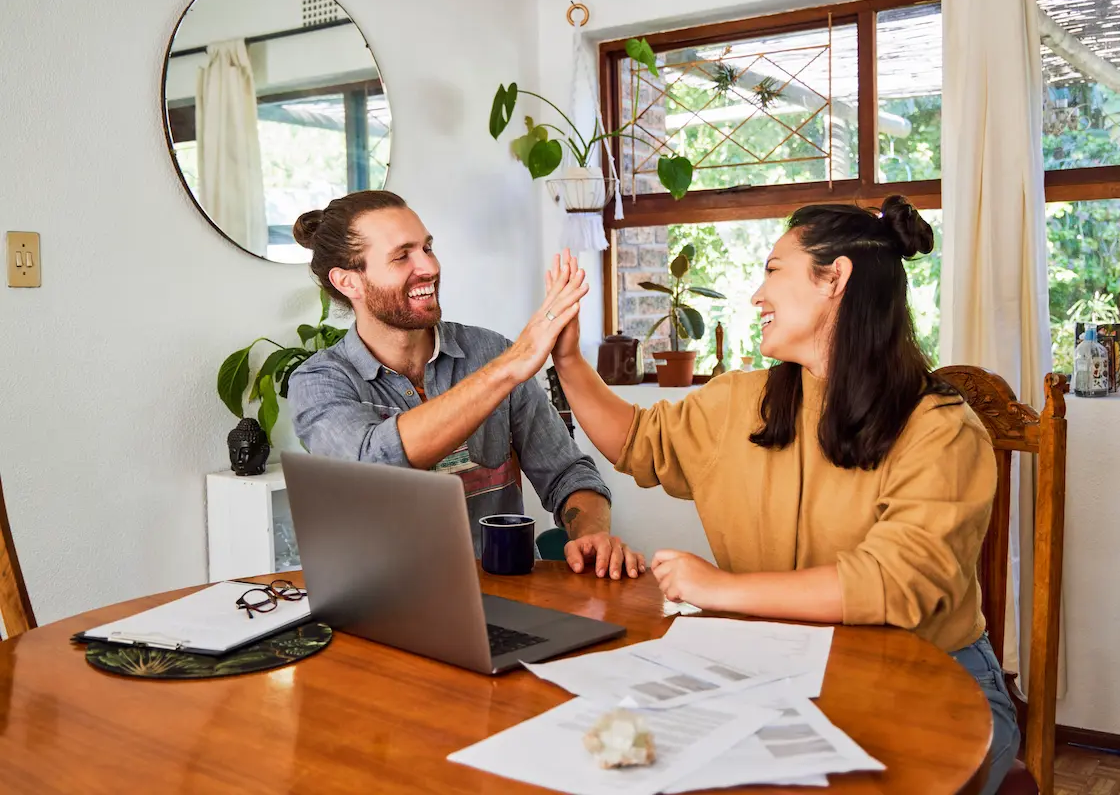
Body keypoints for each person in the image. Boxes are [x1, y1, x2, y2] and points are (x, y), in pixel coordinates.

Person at [543, 195, 1018, 792]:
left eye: (773, 270)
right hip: (779, 669)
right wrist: (567, 359)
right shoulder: (740, 401)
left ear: (834, 279)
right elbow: (637, 440)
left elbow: (895, 584)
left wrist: (718, 588)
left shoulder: (942, 430)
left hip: (936, 683)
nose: (757, 295)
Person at [286, 190, 644, 579]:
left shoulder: (490, 352)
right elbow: (372, 462)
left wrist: (591, 535)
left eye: (427, 248)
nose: (429, 266)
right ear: (348, 282)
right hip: (385, 602)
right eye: (402, 256)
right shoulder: (320, 382)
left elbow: (567, 474)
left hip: (505, 593)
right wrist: (509, 367)